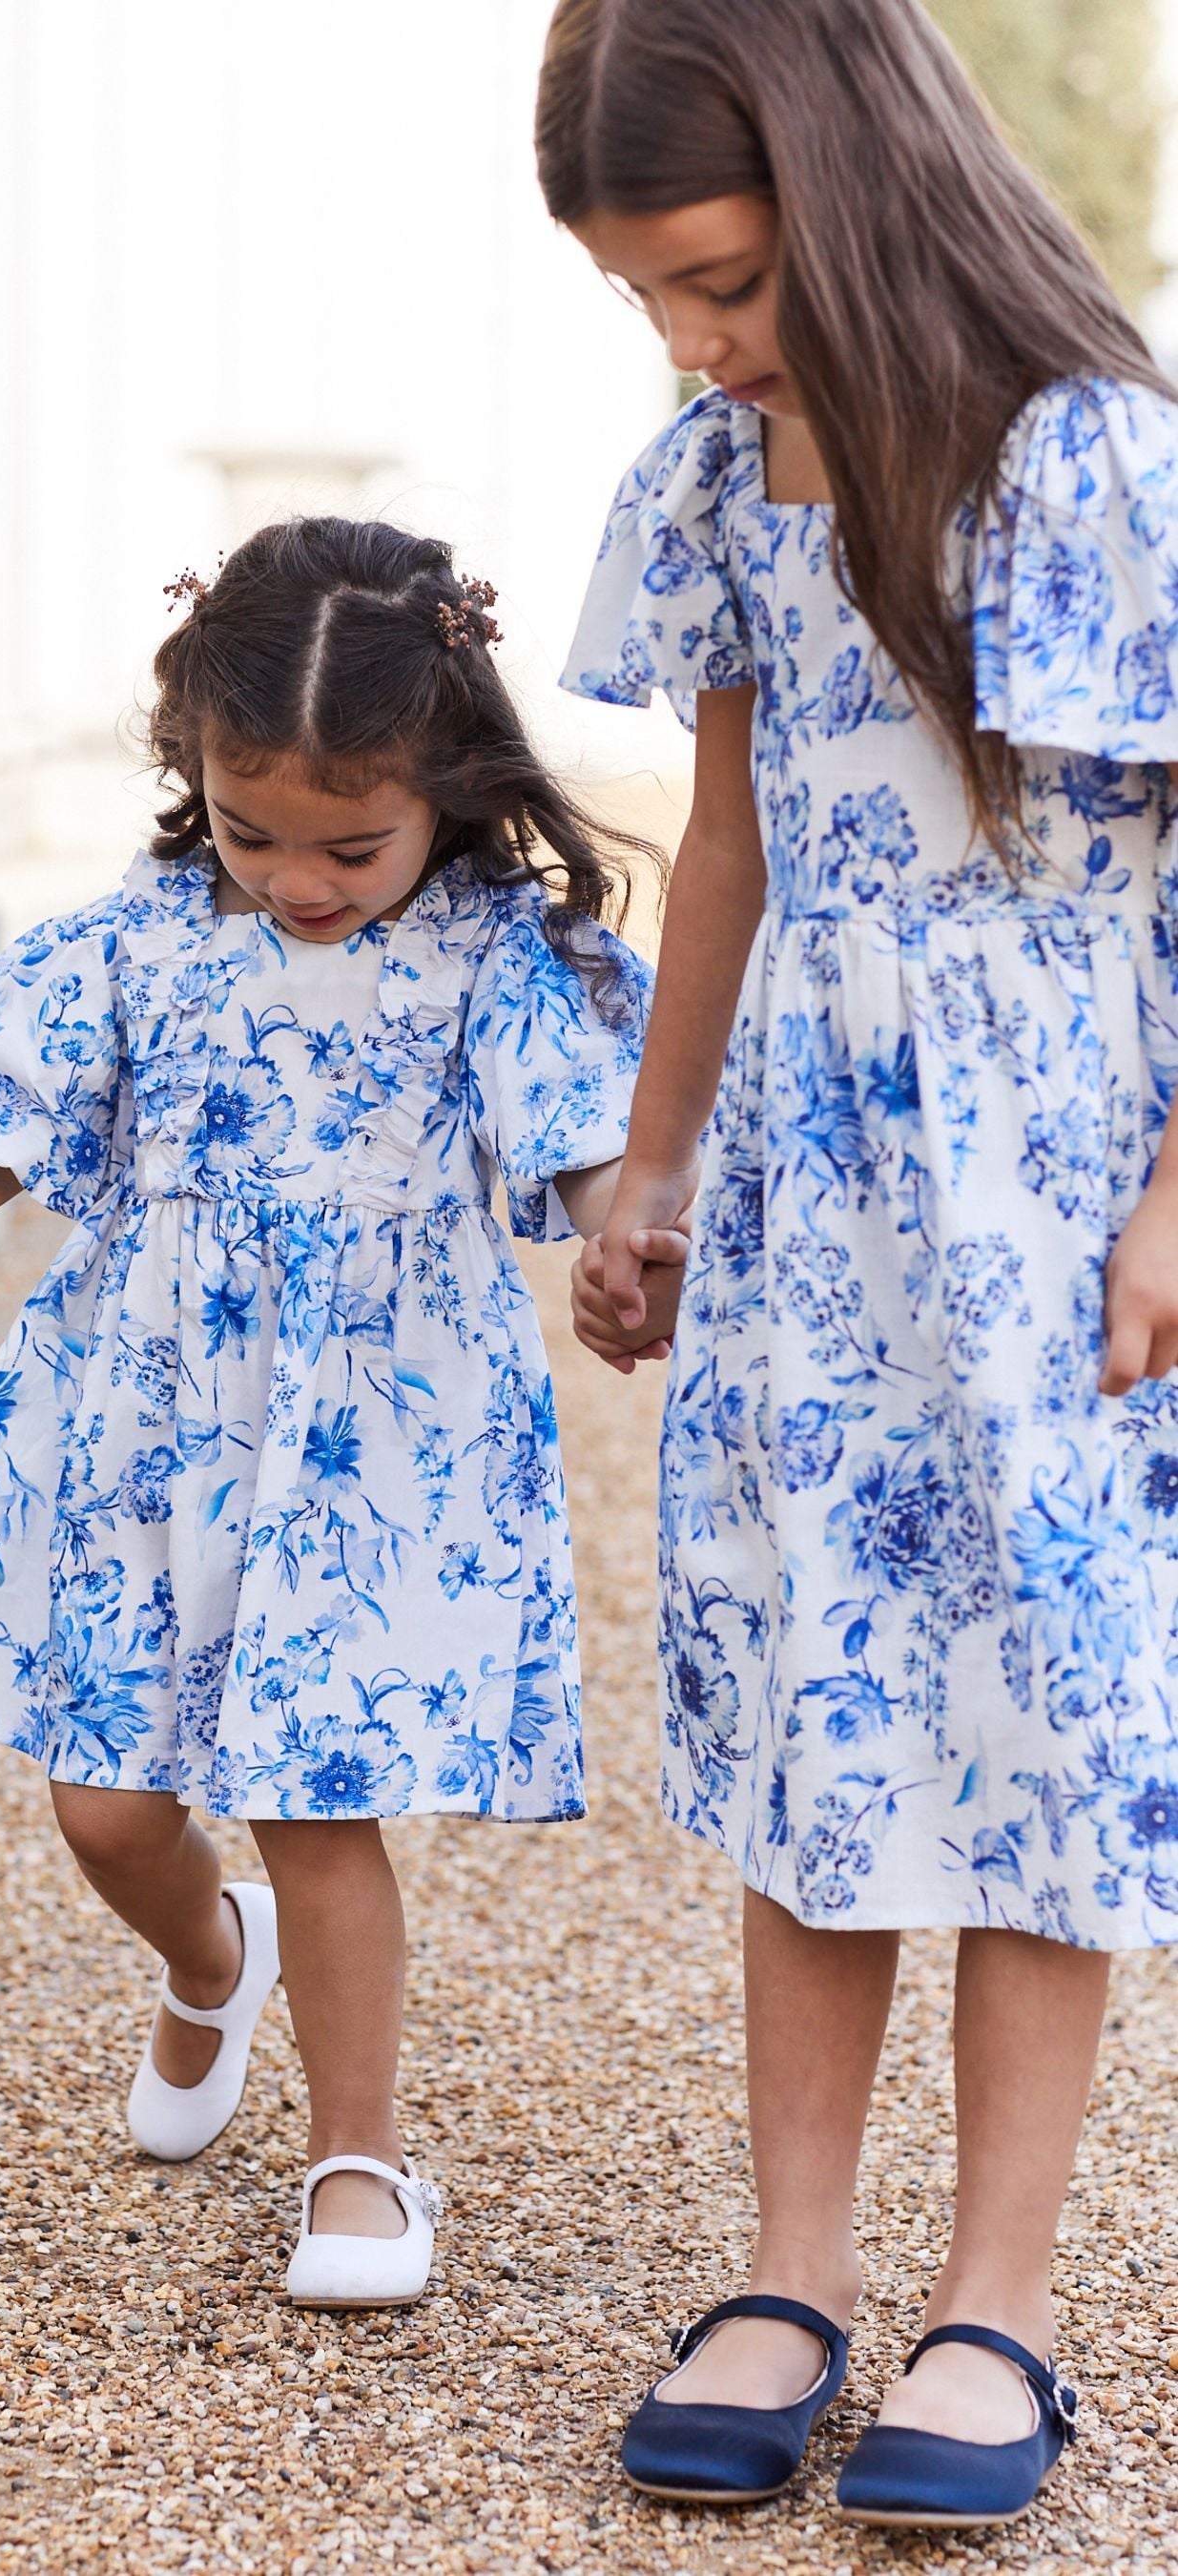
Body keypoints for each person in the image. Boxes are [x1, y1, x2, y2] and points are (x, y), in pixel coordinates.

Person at [0, 516, 680, 2310]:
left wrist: (628, 1245)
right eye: (248, 828)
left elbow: (593, 1151)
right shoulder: (133, 944)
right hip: (149, 1415)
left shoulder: (500, 960)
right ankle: (216, 1961)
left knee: (317, 1783)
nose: (296, 874)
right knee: (104, 1806)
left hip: (378, 1432)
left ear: (449, 785)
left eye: (348, 841)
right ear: (191, 773)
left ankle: (357, 2160)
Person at [542, 0, 1178, 2528]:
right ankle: (792, 2264)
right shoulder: (719, 470)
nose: (697, 345)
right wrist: (654, 1158)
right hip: (816, 1195)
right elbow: (727, 845)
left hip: (1058, 1202)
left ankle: (995, 2294)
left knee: (1041, 1733)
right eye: (649, 305)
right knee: (821, 1726)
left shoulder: (1096, 464)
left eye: (716, 278)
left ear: (847, 171)